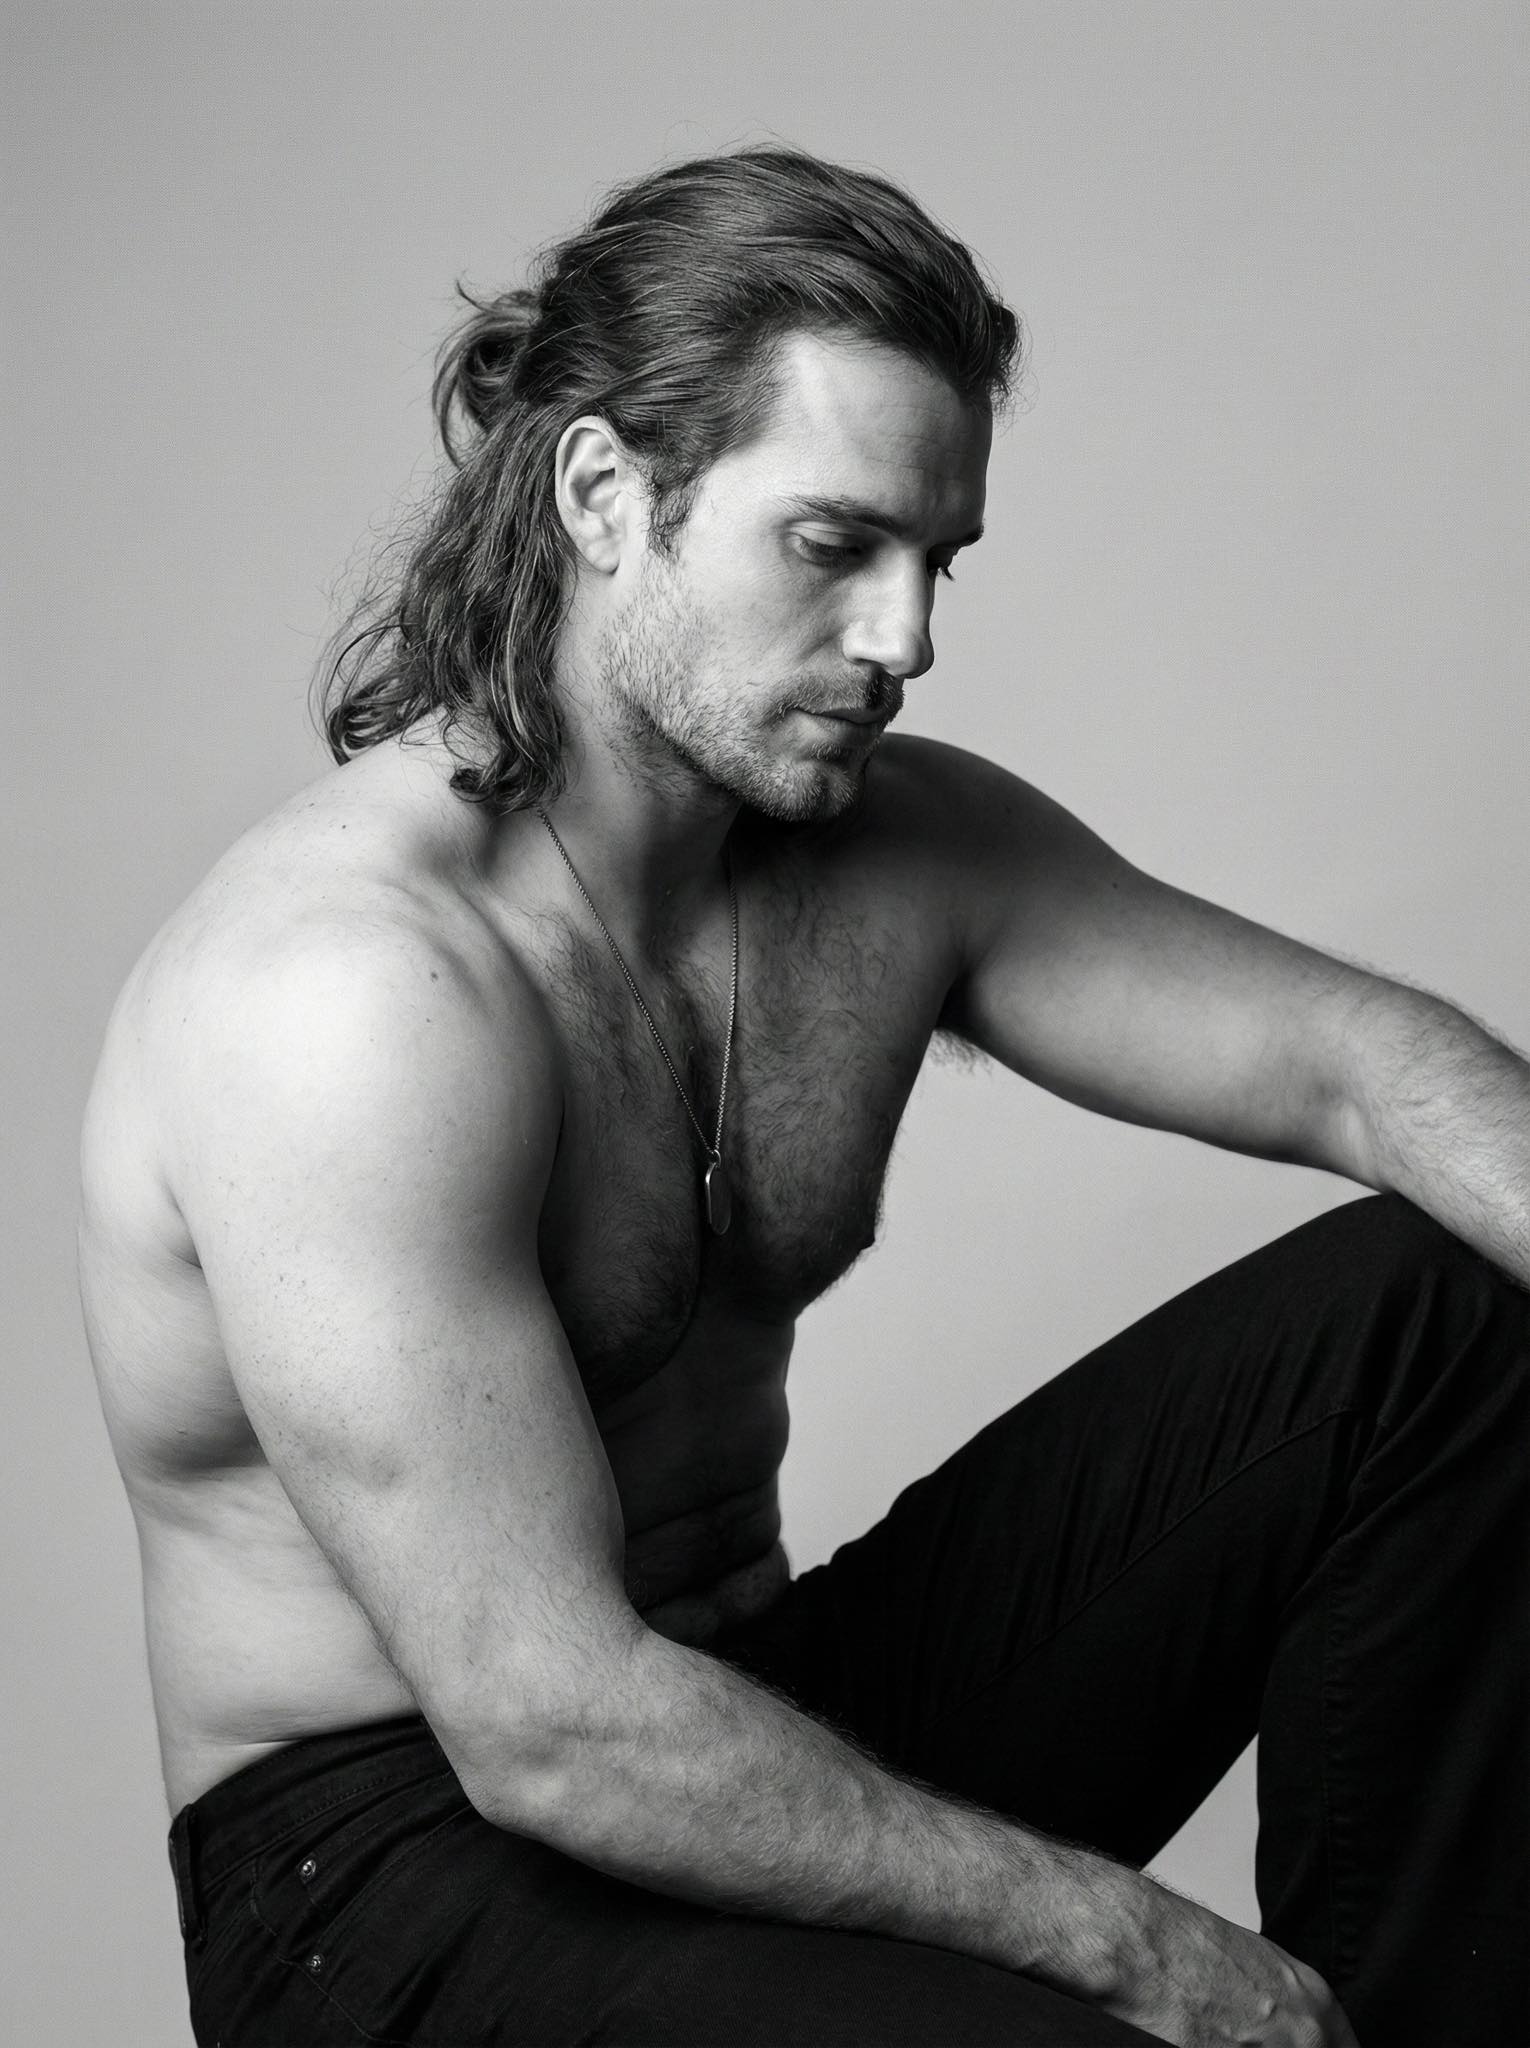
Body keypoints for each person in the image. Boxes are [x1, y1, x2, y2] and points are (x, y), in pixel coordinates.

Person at [79, 147, 1526, 2048]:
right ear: (603, 494)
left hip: (751, 1702)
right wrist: (1148, 1951)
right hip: (405, 1866)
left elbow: (1357, 1064)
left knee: (1443, 1312)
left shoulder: (892, 854)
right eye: (833, 546)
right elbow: (543, 1722)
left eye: (938, 561)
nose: (904, 640)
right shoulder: (352, 994)